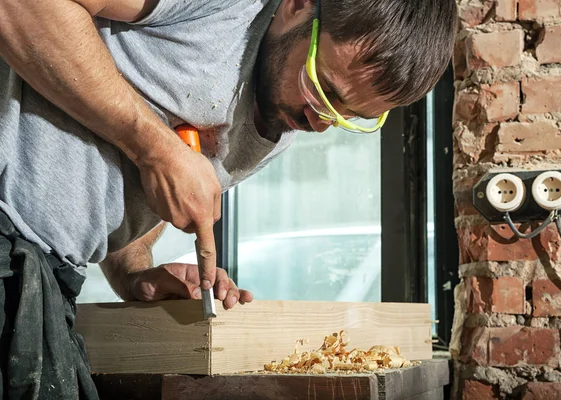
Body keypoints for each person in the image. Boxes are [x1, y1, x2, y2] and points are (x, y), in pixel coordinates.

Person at [0, 0, 458, 398]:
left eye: (350, 117)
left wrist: (134, 270)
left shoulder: (280, 124)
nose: (321, 123)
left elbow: (124, 182)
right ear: (298, 6)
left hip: (46, 276)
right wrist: (153, 147)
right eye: (322, 89)